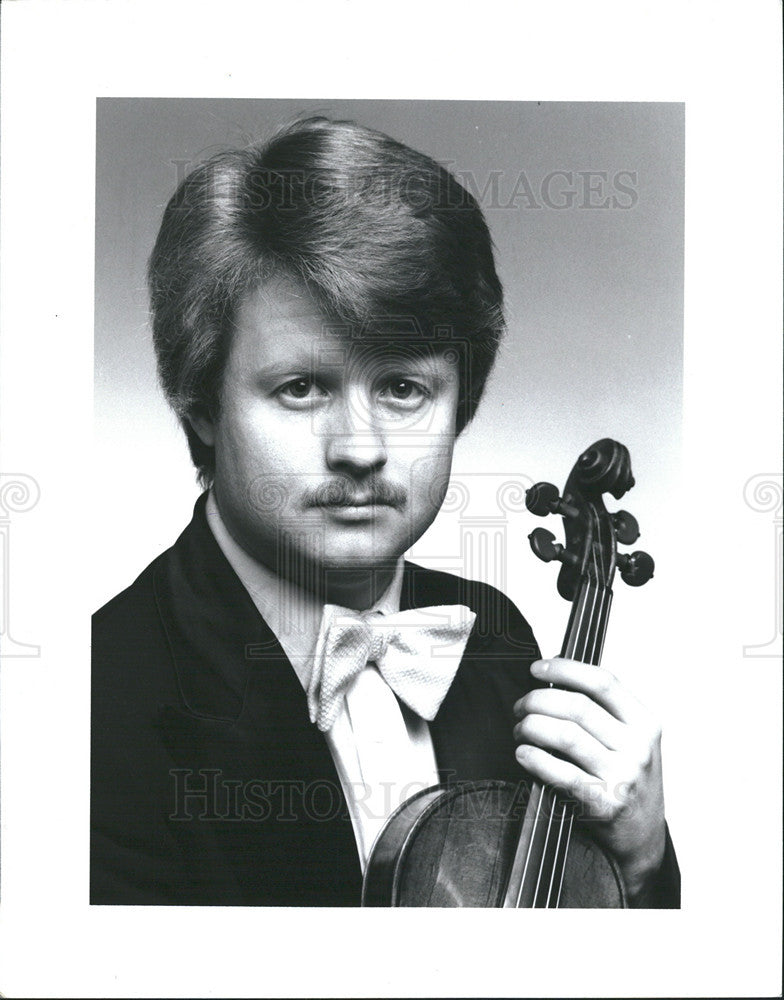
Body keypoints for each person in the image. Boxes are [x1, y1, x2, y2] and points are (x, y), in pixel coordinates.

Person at [91, 116, 679, 907]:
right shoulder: (98, 697)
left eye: (403, 388)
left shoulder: (496, 642)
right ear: (201, 405)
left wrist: (638, 864)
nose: (360, 449)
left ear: (459, 405)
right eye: (300, 388)